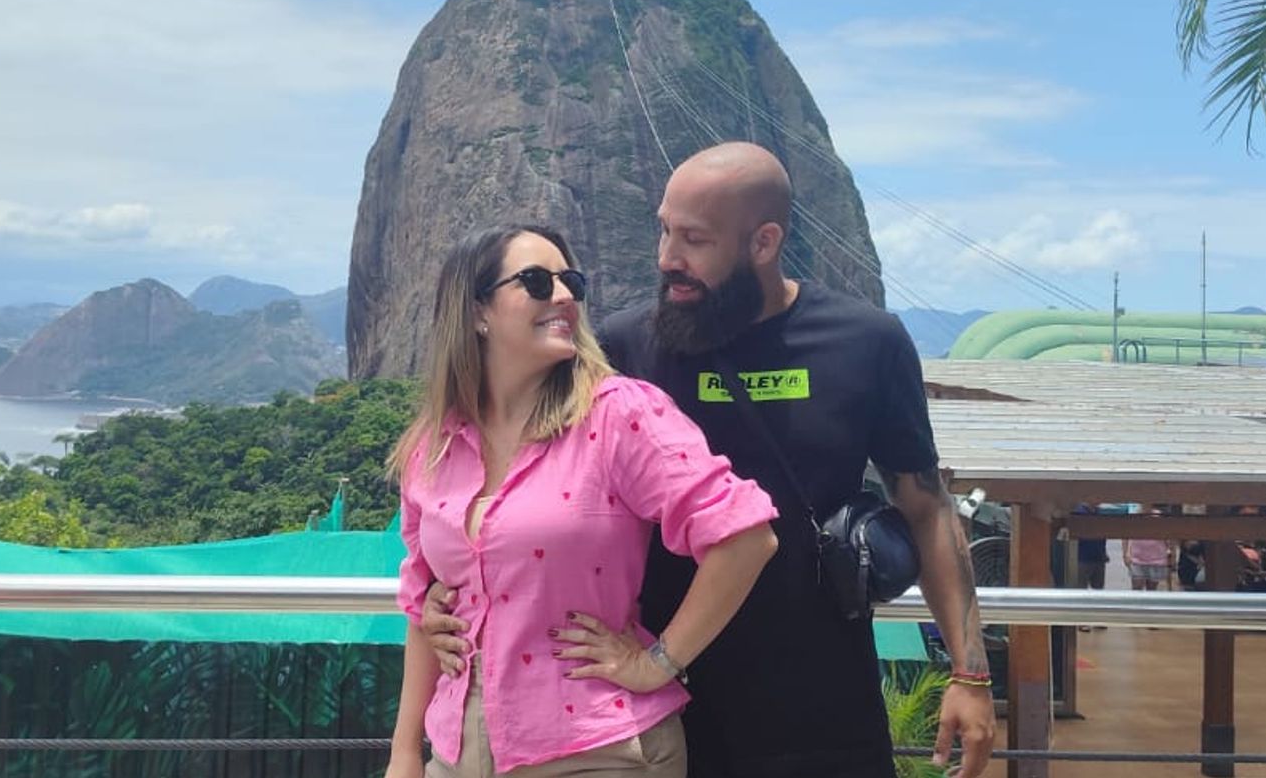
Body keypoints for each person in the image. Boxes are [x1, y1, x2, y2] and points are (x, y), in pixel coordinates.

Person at [427, 143, 997, 778]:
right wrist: (445, 599)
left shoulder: (866, 342)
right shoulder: (627, 345)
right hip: (662, 705)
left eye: (694, 239)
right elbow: (523, 483)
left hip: (824, 704)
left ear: (764, 242)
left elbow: (925, 507)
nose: (667, 257)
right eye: (664, 230)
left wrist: (970, 671)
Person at [386, 224, 780, 778]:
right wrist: (405, 753)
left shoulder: (618, 414)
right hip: (457, 750)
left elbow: (746, 536)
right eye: (536, 281)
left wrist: (656, 663)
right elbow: (424, 607)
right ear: (476, 311)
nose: (564, 296)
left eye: (571, 281)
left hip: (598, 748)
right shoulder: (434, 446)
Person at [1123, 506, 1174, 593]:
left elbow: (1168, 536)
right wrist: (1125, 554)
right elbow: (1125, 536)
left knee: (1152, 590)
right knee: (1136, 588)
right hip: (1136, 559)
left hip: (1157, 559)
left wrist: (1170, 552)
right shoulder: (1133, 516)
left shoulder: (1160, 516)